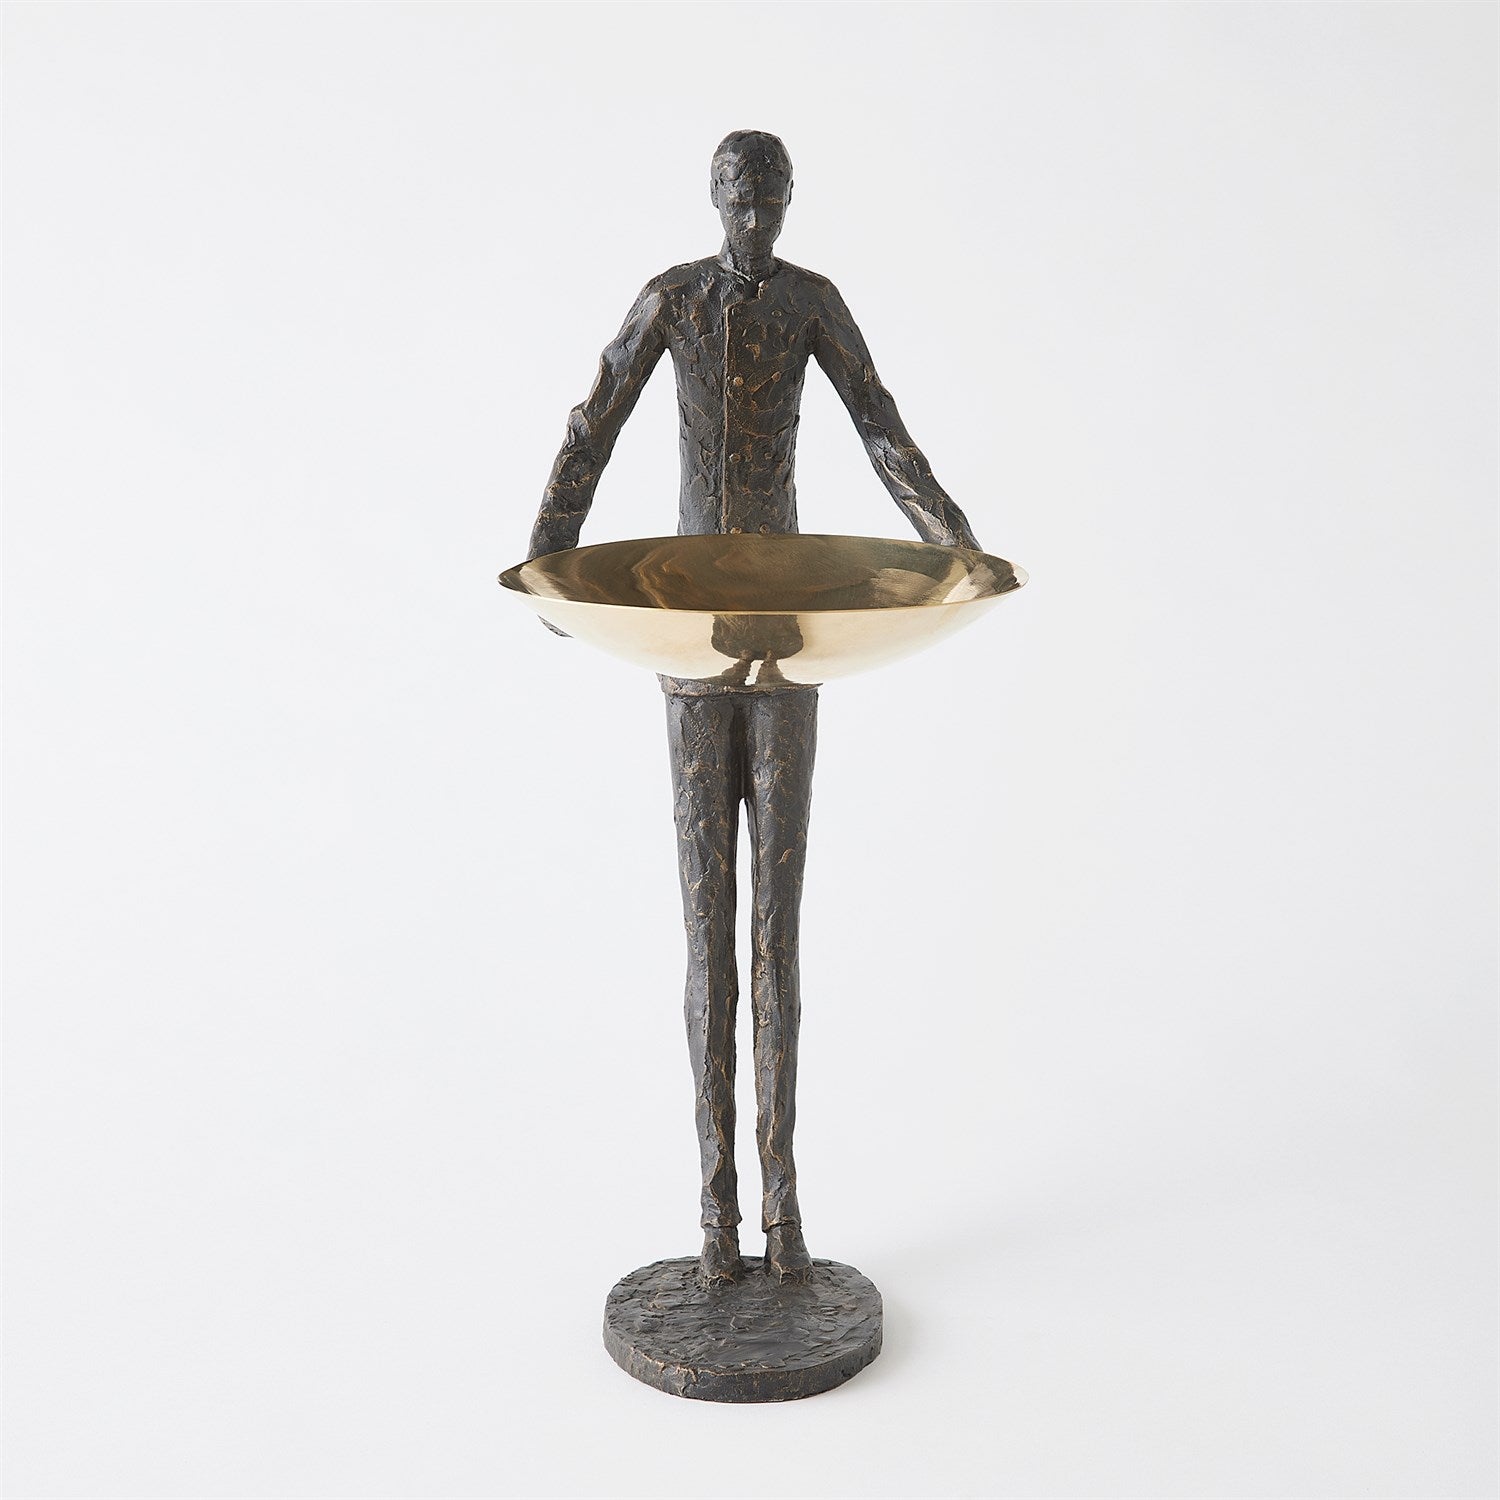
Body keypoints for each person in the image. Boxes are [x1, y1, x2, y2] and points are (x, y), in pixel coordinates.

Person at [528, 130, 983, 1285]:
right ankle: (713, 1223)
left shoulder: (811, 303)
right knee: (708, 936)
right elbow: (594, 422)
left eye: (770, 196)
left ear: (787, 201)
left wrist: (956, 548)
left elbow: (880, 425)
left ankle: (783, 1219)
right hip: (688, 643)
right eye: (739, 196)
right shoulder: (672, 300)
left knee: (776, 931)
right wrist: (550, 557)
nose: (754, 214)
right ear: (714, 198)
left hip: (785, 638)